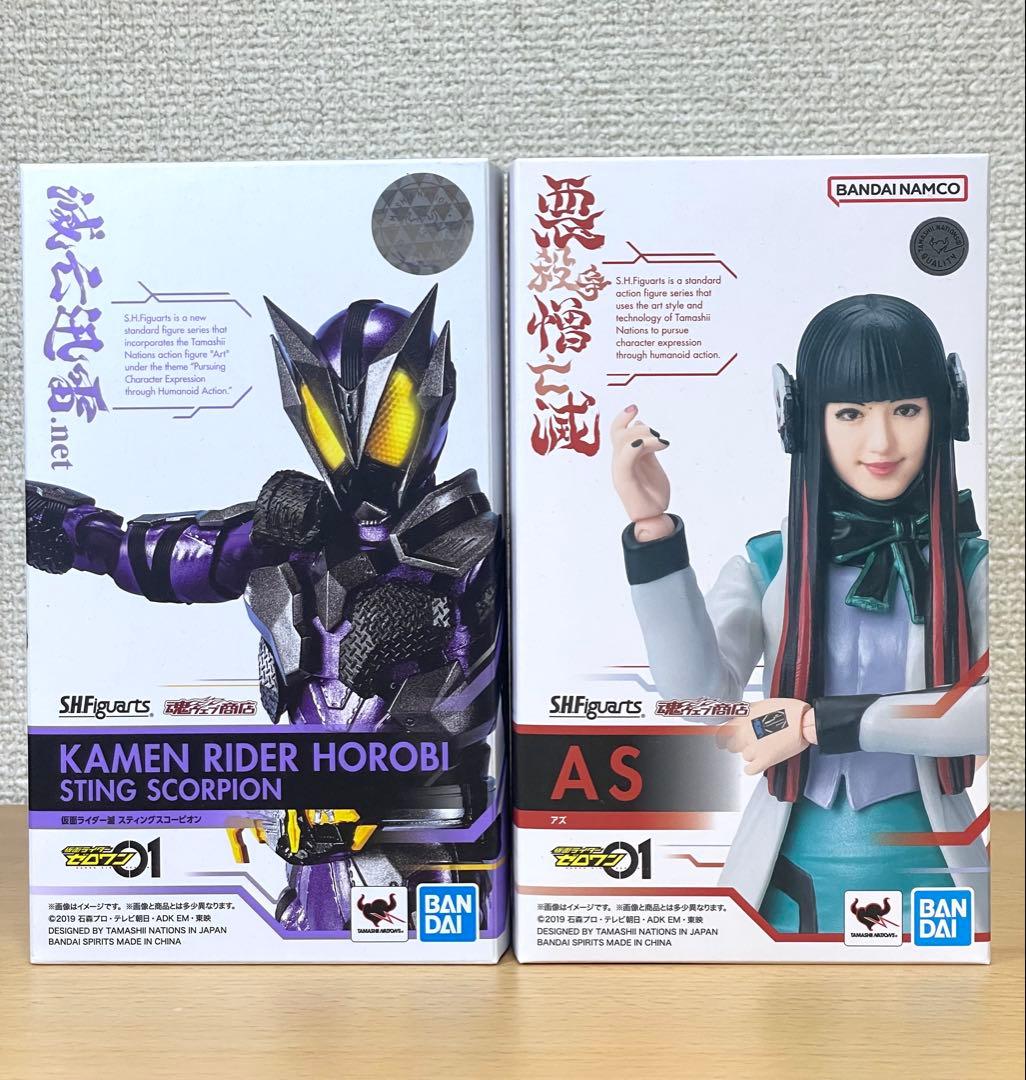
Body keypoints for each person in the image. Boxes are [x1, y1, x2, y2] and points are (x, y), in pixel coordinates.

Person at [611, 294, 988, 934]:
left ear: (944, 410)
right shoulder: (769, 564)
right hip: (787, 874)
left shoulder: (972, 568)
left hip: (932, 871)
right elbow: (700, 701)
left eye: (906, 409)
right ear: (803, 419)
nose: (881, 441)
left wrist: (818, 723)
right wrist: (653, 533)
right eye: (850, 413)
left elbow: (996, 710)